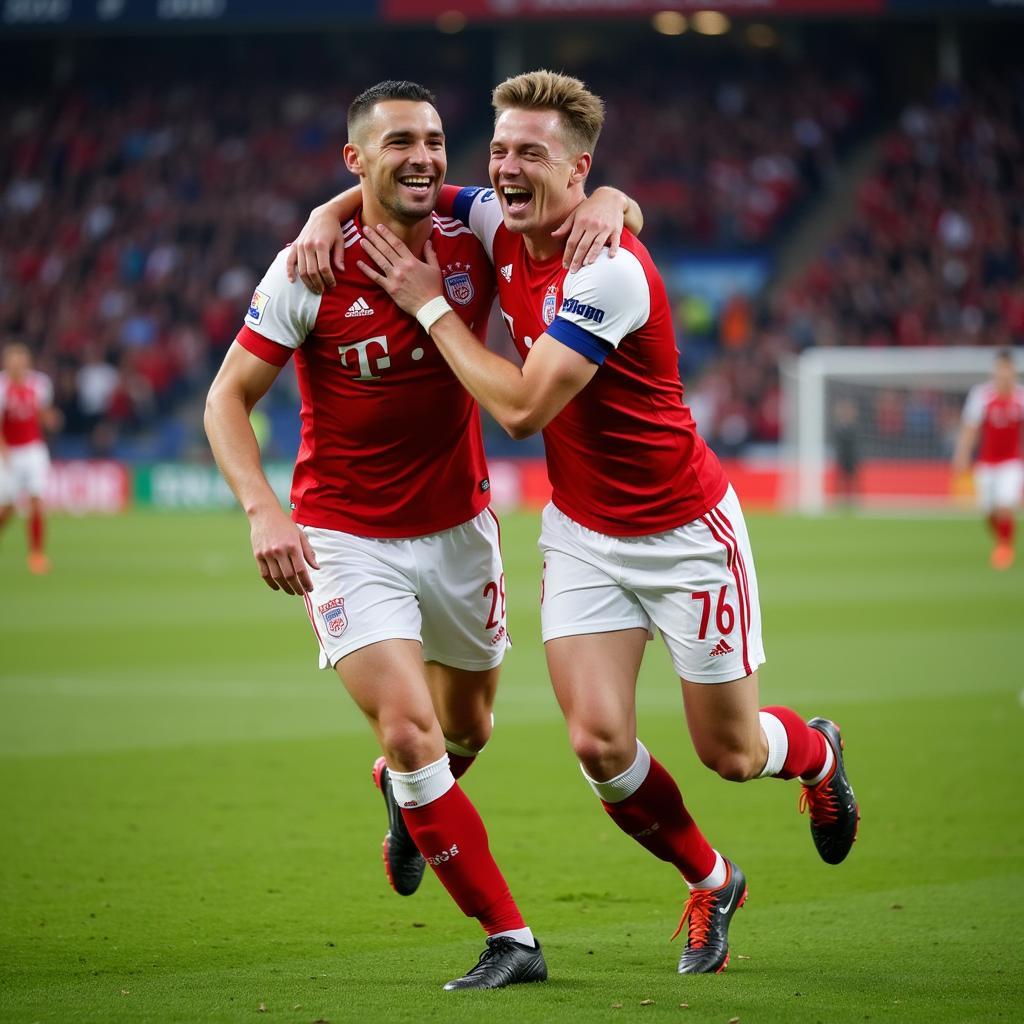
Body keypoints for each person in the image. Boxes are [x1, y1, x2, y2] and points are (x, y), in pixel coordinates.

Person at [302, 70, 860, 977]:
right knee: (599, 744)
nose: (506, 172)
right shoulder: (496, 218)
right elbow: (403, 180)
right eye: (500, 154)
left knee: (729, 749)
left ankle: (815, 752)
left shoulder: (609, 270)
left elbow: (521, 410)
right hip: (584, 535)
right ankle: (713, 883)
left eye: (533, 156)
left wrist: (431, 305)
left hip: (685, 535)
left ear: (579, 169)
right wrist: (324, 218)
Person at [205, 79, 639, 991]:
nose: (427, 158)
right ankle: (509, 937)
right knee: (410, 732)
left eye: (438, 141)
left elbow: (567, 202)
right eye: (400, 142)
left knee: (467, 725)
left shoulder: (473, 232)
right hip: (344, 535)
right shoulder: (307, 267)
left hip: (458, 532)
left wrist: (609, 197)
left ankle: (412, 809)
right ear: (355, 158)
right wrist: (262, 510)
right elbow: (226, 399)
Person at [952, 349, 1024, 570]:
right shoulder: (981, 395)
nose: (1004, 373)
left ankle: (1005, 547)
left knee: (1005, 505)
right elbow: (970, 428)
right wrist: (962, 455)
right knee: (989, 511)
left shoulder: (1021, 397)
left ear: (1013, 371)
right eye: (1000, 368)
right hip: (986, 463)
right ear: (995, 370)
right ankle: (1001, 540)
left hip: (1012, 462)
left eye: (1007, 369)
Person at [0, 341, 58, 574]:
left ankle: (36, 554)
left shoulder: (40, 383)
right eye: (13, 361)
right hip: (9, 452)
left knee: (36, 501)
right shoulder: (1, 386)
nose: (17, 365)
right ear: (7, 363)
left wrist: (51, 418)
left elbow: (42, 413)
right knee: (8, 507)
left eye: (21, 361)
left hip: (34, 449)